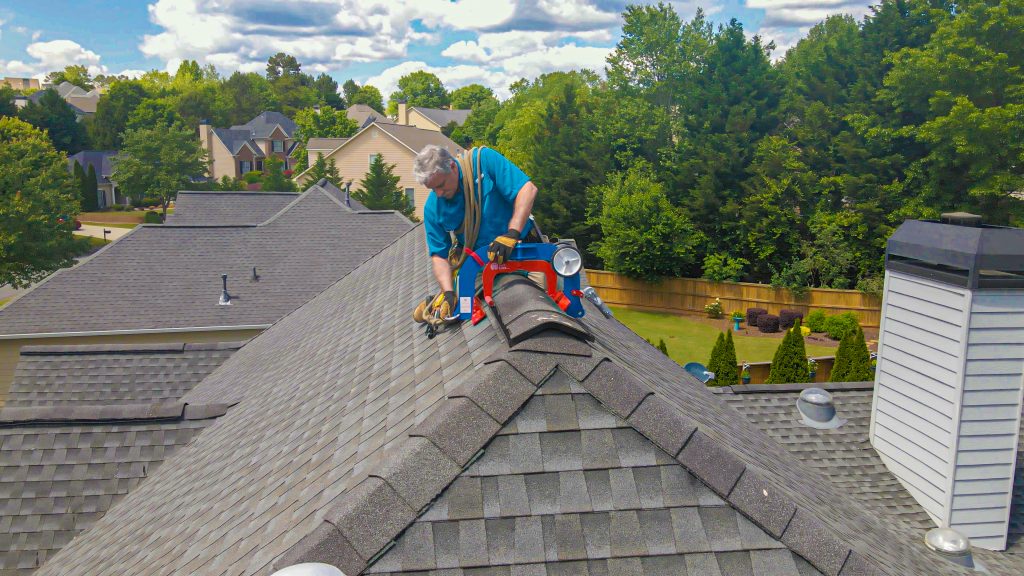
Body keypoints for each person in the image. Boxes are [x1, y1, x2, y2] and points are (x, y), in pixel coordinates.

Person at [412, 144, 539, 323]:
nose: (439, 193)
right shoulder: (433, 208)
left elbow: (527, 190)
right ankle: (436, 303)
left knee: (545, 301)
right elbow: (439, 257)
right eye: (433, 189)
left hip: (524, 251)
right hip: (482, 264)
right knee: (462, 310)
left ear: (453, 167)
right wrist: (448, 292)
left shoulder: (483, 162)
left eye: (440, 185)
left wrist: (512, 232)